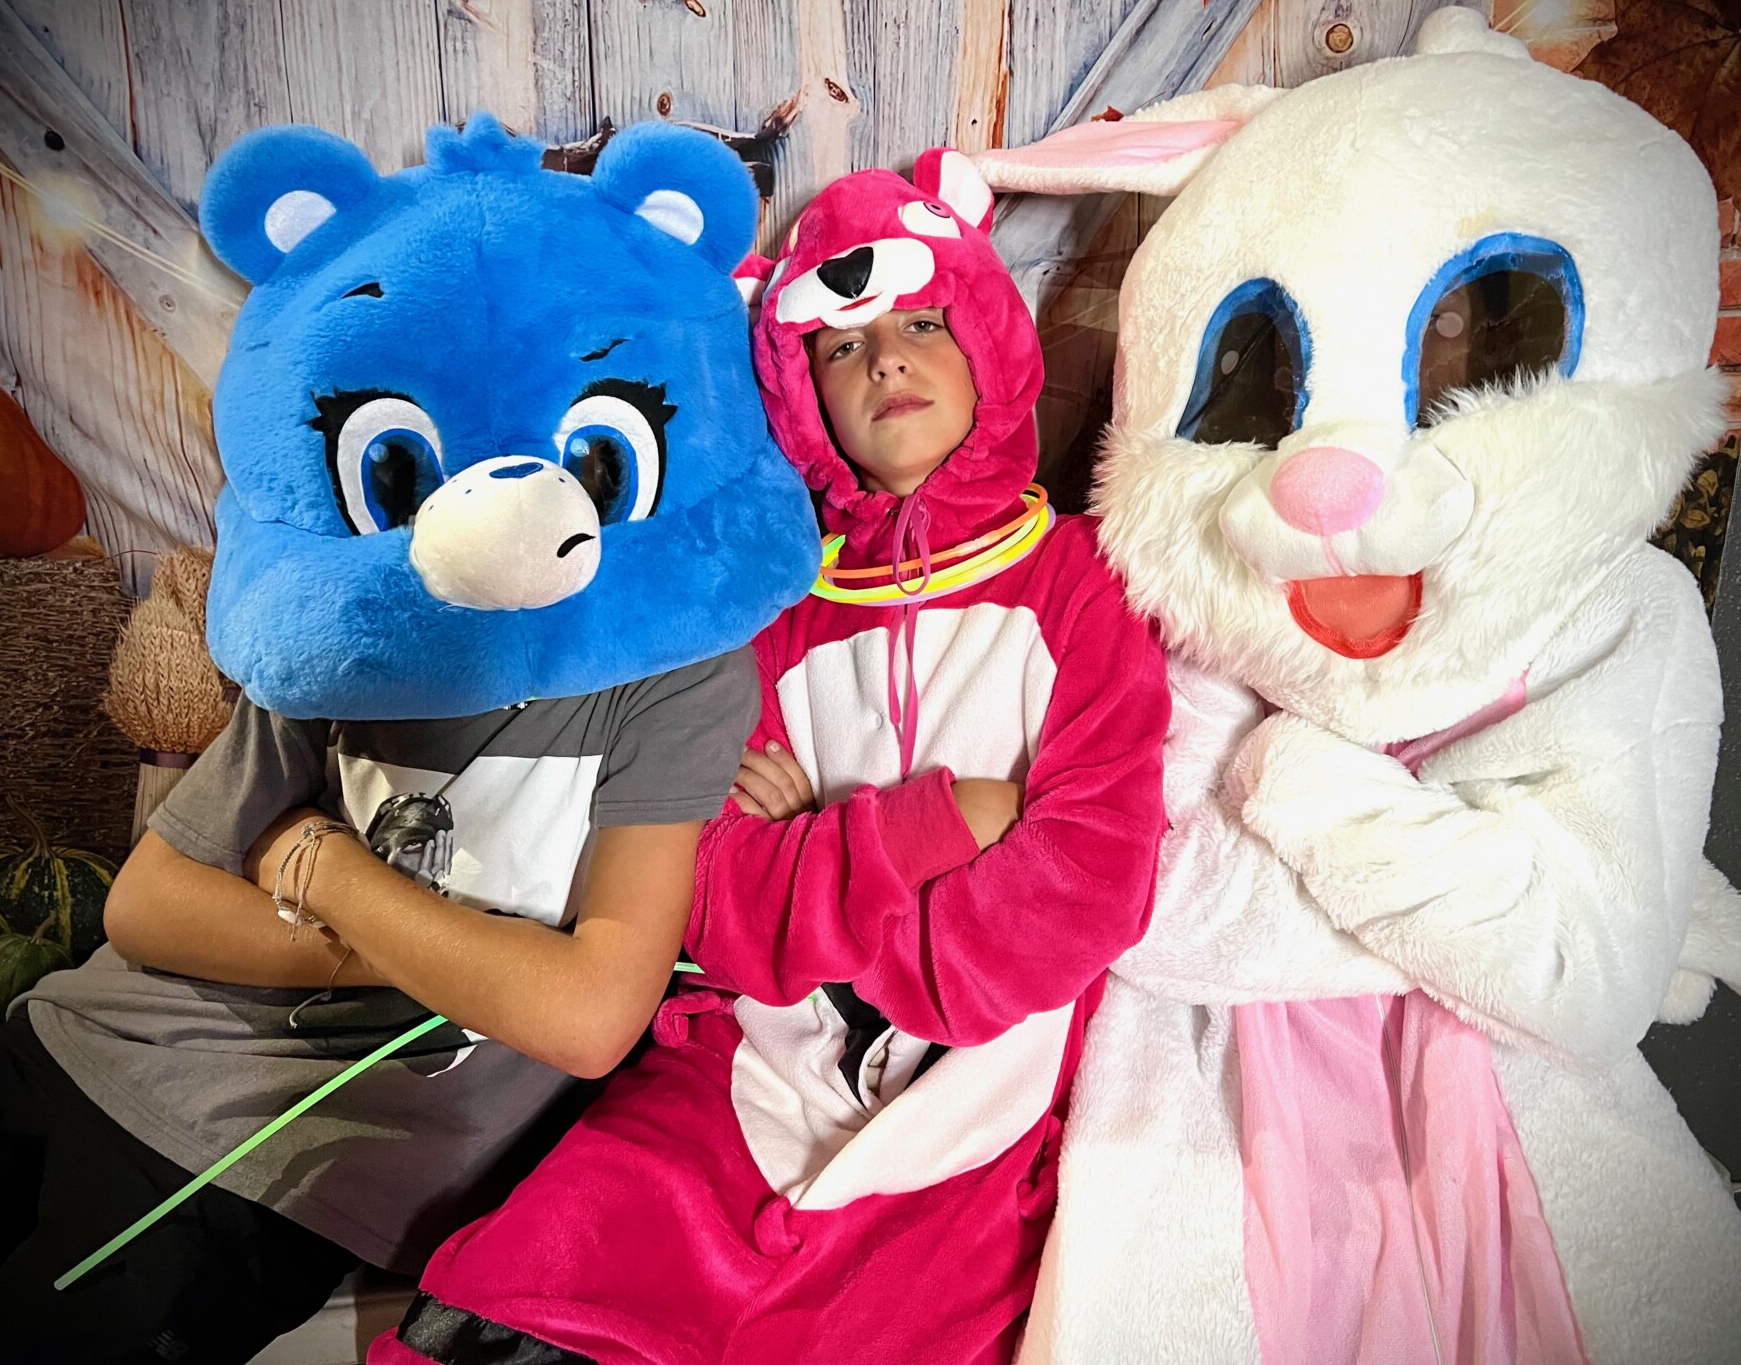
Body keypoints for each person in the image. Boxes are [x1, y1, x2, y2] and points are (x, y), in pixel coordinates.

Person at [0, 113, 817, 1365]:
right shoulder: (342, 639)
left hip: (277, 1152)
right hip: (77, 1035)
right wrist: (454, 955)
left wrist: (320, 870)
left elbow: (585, 1016)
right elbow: (147, 909)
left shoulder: (677, 680)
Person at [371, 148, 1172, 1365]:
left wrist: (822, 880)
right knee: (568, 1261)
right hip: (757, 1054)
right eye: (843, 346)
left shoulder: (1081, 584)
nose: (887, 360)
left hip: (990, 1072)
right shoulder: (776, 620)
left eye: (920, 323)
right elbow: (715, 902)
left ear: (989, 346)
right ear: (801, 394)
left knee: (883, 1313)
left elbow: (1089, 882)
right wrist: (933, 827)